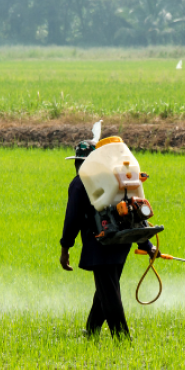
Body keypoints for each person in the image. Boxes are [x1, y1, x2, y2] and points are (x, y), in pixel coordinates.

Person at [60, 139, 155, 340]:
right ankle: (91, 330)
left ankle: (122, 338)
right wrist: (146, 244)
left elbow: (72, 218)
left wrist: (65, 247)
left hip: (100, 243)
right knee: (106, 288)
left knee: (109, 292)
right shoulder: (115, 179)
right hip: (122, 242)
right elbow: (133, 213)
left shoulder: (80, 183)